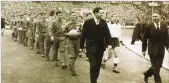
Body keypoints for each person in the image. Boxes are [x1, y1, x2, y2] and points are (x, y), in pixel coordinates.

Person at [80, 7, 112, 83]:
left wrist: (109, 43)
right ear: (95, 13)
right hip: (91, 47)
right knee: (93, 65)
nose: (102, 14)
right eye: (101, 13)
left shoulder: (103, 22)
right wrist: (81, 46)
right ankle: (93, 81)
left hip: (100, 48)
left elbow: (107, 34)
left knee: (97, 66)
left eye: (102, 13)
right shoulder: (88, 22)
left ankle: (95, 80)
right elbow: (83, 35)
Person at [142, 13, 169, 83]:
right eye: (153, 17)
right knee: (155, 68)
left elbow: (166, 38)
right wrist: (143, 50)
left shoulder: (164, 26)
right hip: (152, 49)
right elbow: (144, 39)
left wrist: (168, 47)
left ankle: (147, 74)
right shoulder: (148, 27)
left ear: (160, 17)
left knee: (159, 66)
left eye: (156, 16)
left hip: (161, 49)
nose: (154, 18)